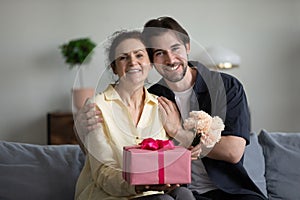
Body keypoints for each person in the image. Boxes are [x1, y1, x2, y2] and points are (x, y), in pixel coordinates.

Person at [76, 17, 268, 200]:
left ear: (187, 47)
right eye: (159, 53)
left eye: (175, 48)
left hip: (230, 191)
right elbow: (110, 157)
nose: (170, 59)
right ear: (152, 61)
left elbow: (233, 152)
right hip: (180, 191)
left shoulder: (225, 87)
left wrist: (179, 132)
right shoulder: (155, 98)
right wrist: (79, 132)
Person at [74, 30, 196, 200]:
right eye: (123, 58)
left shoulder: (161, 107)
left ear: (150, 63)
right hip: (107, 195)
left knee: (184, 194)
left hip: (153, 194)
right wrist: (136, 185)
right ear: (114, 68)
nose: (133, 62)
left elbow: (166, 162)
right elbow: (103, 172)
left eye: (139, 55)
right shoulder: (96, 106)